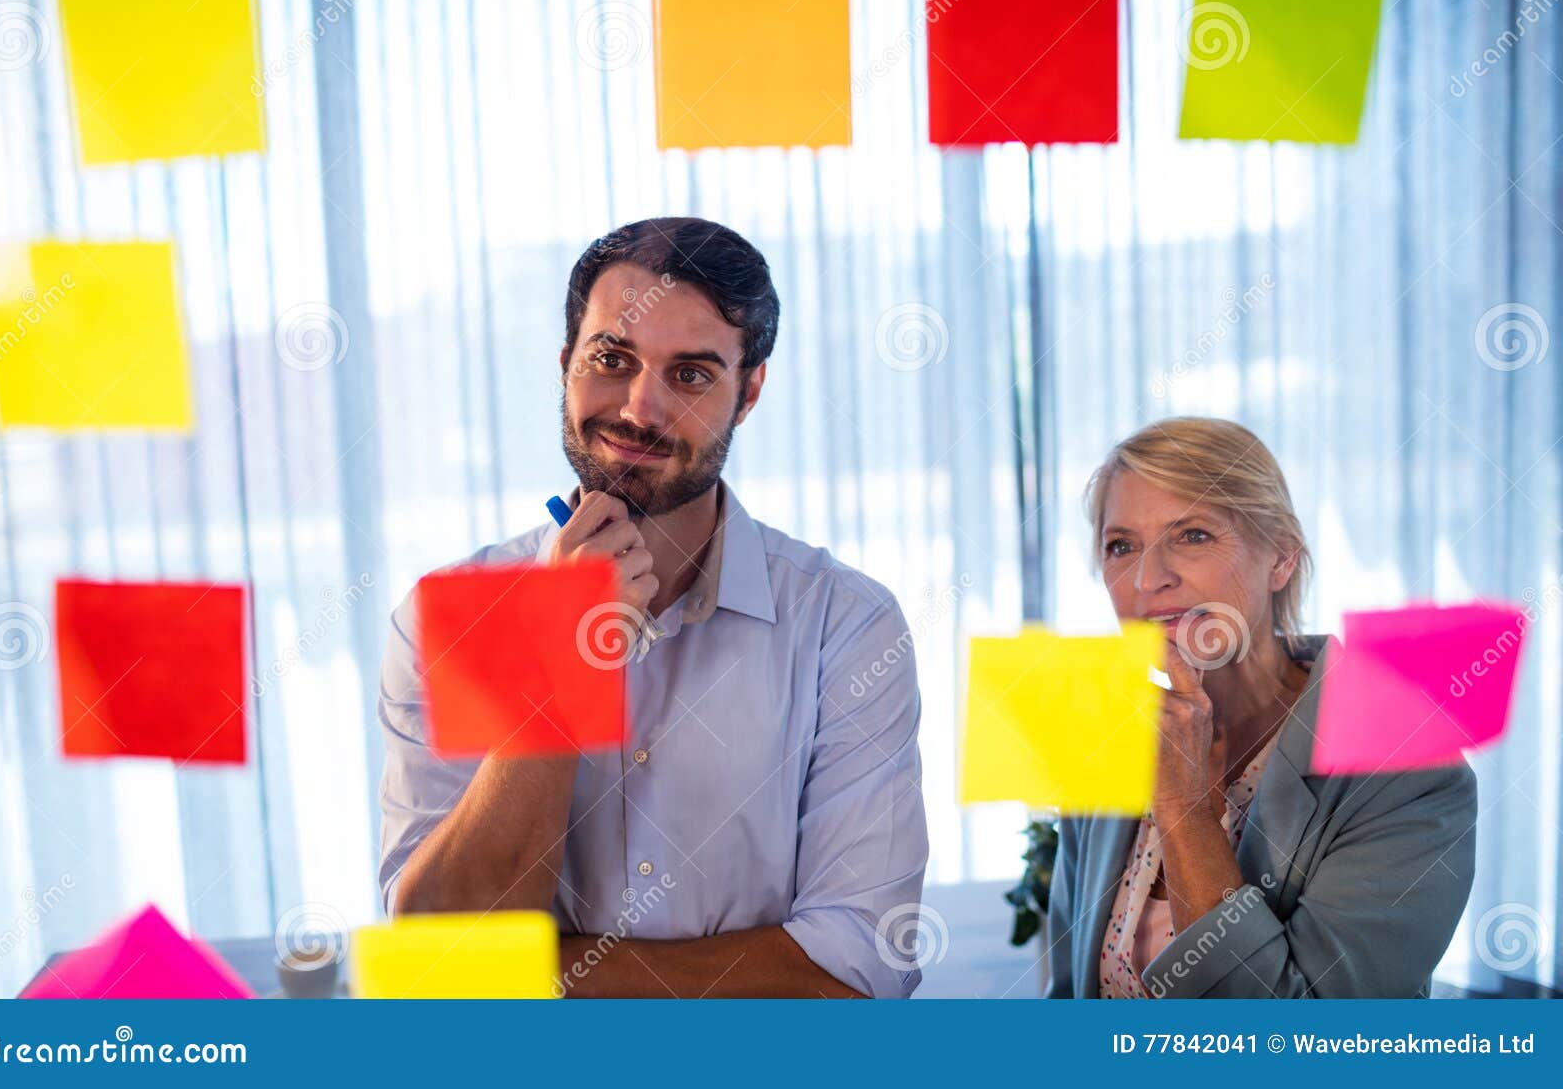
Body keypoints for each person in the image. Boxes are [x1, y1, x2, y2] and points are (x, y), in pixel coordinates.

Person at [376, 217, 928, 998]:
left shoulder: (847, 625)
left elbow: (860, 968)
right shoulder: (446, 619)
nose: (640, 409)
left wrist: (535, 979)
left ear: (750, 391)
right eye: (612, 358)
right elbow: (436, 966)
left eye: (692, 375)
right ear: (566, 363)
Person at [1048, 417, 1477, 998]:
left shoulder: (1408, 769)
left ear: (1280, 558)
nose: (1148, 579)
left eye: (1192, 535)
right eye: (1121, 546)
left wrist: (1184, 810)